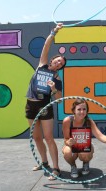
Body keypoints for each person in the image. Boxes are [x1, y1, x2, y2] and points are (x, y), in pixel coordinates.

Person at [25, 23, 67, 180]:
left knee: (48, 138)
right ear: (52, 60)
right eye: (57, 60)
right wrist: (54, 31)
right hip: (30, 105)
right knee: (36, 137)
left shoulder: (56, 78)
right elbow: (46, 46)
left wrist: (54, 88)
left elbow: (59, 100)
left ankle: (56, 168)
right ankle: (44, 163)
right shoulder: (42, 65)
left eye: (61, 64)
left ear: (60, 68)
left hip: (44, 107)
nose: (58, 63)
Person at [62, 98, 106, 178]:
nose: (82, 112)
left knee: (86, 152)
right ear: (74, 110)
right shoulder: (67, 121)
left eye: (84, 109)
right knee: (67, 152)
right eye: (79, 109)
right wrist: (69, 142)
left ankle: (85, 162)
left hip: (84, 147)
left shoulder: (89, 121)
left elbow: (101, 137)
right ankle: (73, 166)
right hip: (72, 147)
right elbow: (66, 139)